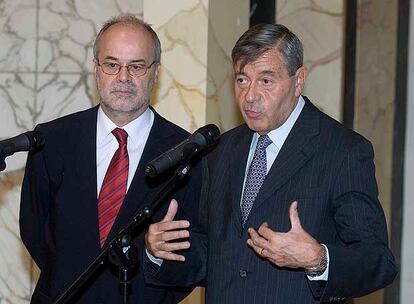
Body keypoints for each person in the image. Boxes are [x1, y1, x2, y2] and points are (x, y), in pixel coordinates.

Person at [144, 24, 397, 303]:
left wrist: (318, 259)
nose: (250, 96)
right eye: (242, 80)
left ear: (298, 80)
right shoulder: (220, 151)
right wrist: (161, 251)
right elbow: (212, 255)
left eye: (266, 81)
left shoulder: (343, 151)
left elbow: (378, 261)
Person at [20, 14, 202, 303]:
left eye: (137, 66)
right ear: (96, 69)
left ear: (156, 73)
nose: (123, 77)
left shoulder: (188, 152)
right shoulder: (52, 140)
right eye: (112, 64)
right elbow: (34, 231)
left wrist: (152, 259)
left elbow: (193, 256)